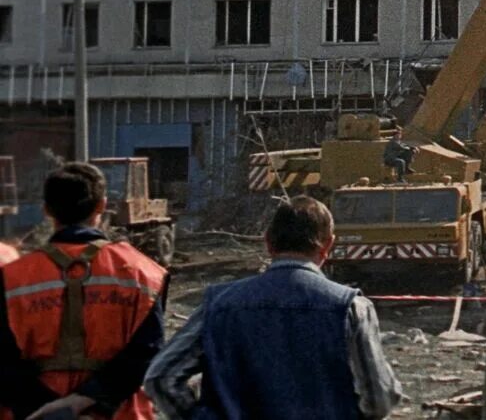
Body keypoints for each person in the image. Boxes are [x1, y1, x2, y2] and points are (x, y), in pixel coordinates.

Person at [145, 196, 399, 420]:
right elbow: (380, 399)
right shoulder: (351, 308)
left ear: (268, 242)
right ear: (327, 245)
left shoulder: (220, 304)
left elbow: (161, 377)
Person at [1, 163, 168, 420]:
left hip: (33, 413)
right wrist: (88, 400)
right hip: (119, 413)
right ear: (101, 206)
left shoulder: (11, 277)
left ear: (46, 210)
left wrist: (50, 411)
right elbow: (148, 353)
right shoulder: (142, 273)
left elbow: (5, 363)